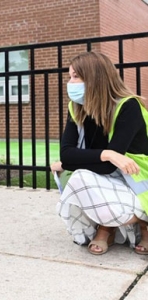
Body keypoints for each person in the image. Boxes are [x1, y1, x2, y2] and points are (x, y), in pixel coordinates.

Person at [51, 51, 148, 256]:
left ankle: (140, 221)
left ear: (95, 78)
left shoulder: (128, 106)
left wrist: (100, 159)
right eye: (70, 77)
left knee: (80, 175)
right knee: (79, 178)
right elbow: (67, 155)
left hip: (139, 179)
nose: (71, 82)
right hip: (110, 174)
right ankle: (110, 226)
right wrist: (107, 154)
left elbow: (103, 166)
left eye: (76, 76)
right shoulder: (77, 107)